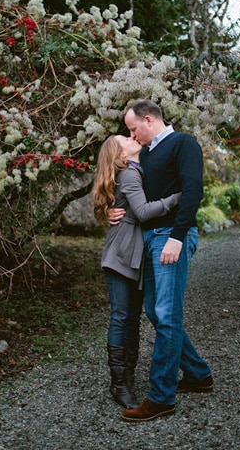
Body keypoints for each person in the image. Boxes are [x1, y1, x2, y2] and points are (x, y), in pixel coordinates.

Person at [115, 99, 214, 423]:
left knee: (167, 315)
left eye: (133, 129)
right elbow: (135, 195)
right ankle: (198, 375)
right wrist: (108, 209)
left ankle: (161, 397)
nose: (132, 135)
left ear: (148, 119)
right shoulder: (145, 154)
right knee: (155, 312)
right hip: (151, 239)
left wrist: (177, 237)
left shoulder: (182, 143)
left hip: (171, 236)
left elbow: (193, 190)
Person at [91, 135, 182, 409]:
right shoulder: (129, 173)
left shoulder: (131, 171)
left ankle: (126, 377)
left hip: (130, 250)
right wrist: (176, 198)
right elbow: (142, 212)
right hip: (122, 253)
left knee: (130, 317)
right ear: (119, 153)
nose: (132, 137)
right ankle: (119, 384)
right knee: (122, 317)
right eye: (124, 138)